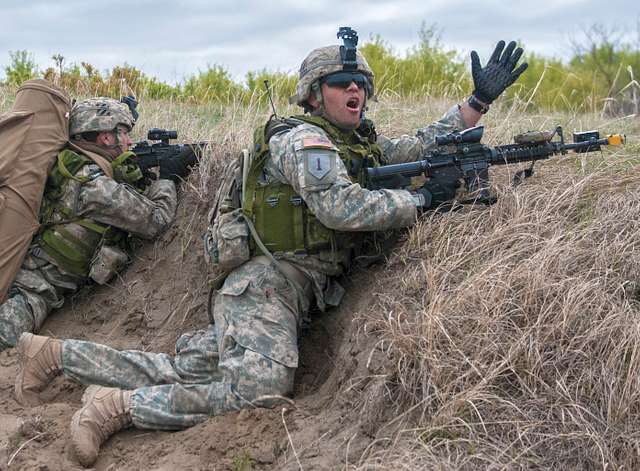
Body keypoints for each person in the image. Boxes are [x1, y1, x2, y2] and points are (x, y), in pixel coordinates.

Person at [14, 31, 527, 467]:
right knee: (257, 388)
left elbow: (417, 145)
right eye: (341, 84)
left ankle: (57, 355)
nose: (355, 91)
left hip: (278, 289)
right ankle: (115, 408)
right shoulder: (302, 141)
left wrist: (475, 105)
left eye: (361, 85)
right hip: (265, 286)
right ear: (313, 94)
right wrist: (416, 199)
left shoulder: (352, 141)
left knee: (191, 371)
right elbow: (339, 208)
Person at [0, 97, 178, 352]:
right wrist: (168, 178)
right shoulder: (95, 186)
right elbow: (156, 221)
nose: (129, 141)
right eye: (124, 132)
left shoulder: (69, 163)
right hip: (32, 288)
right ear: (106, 138)